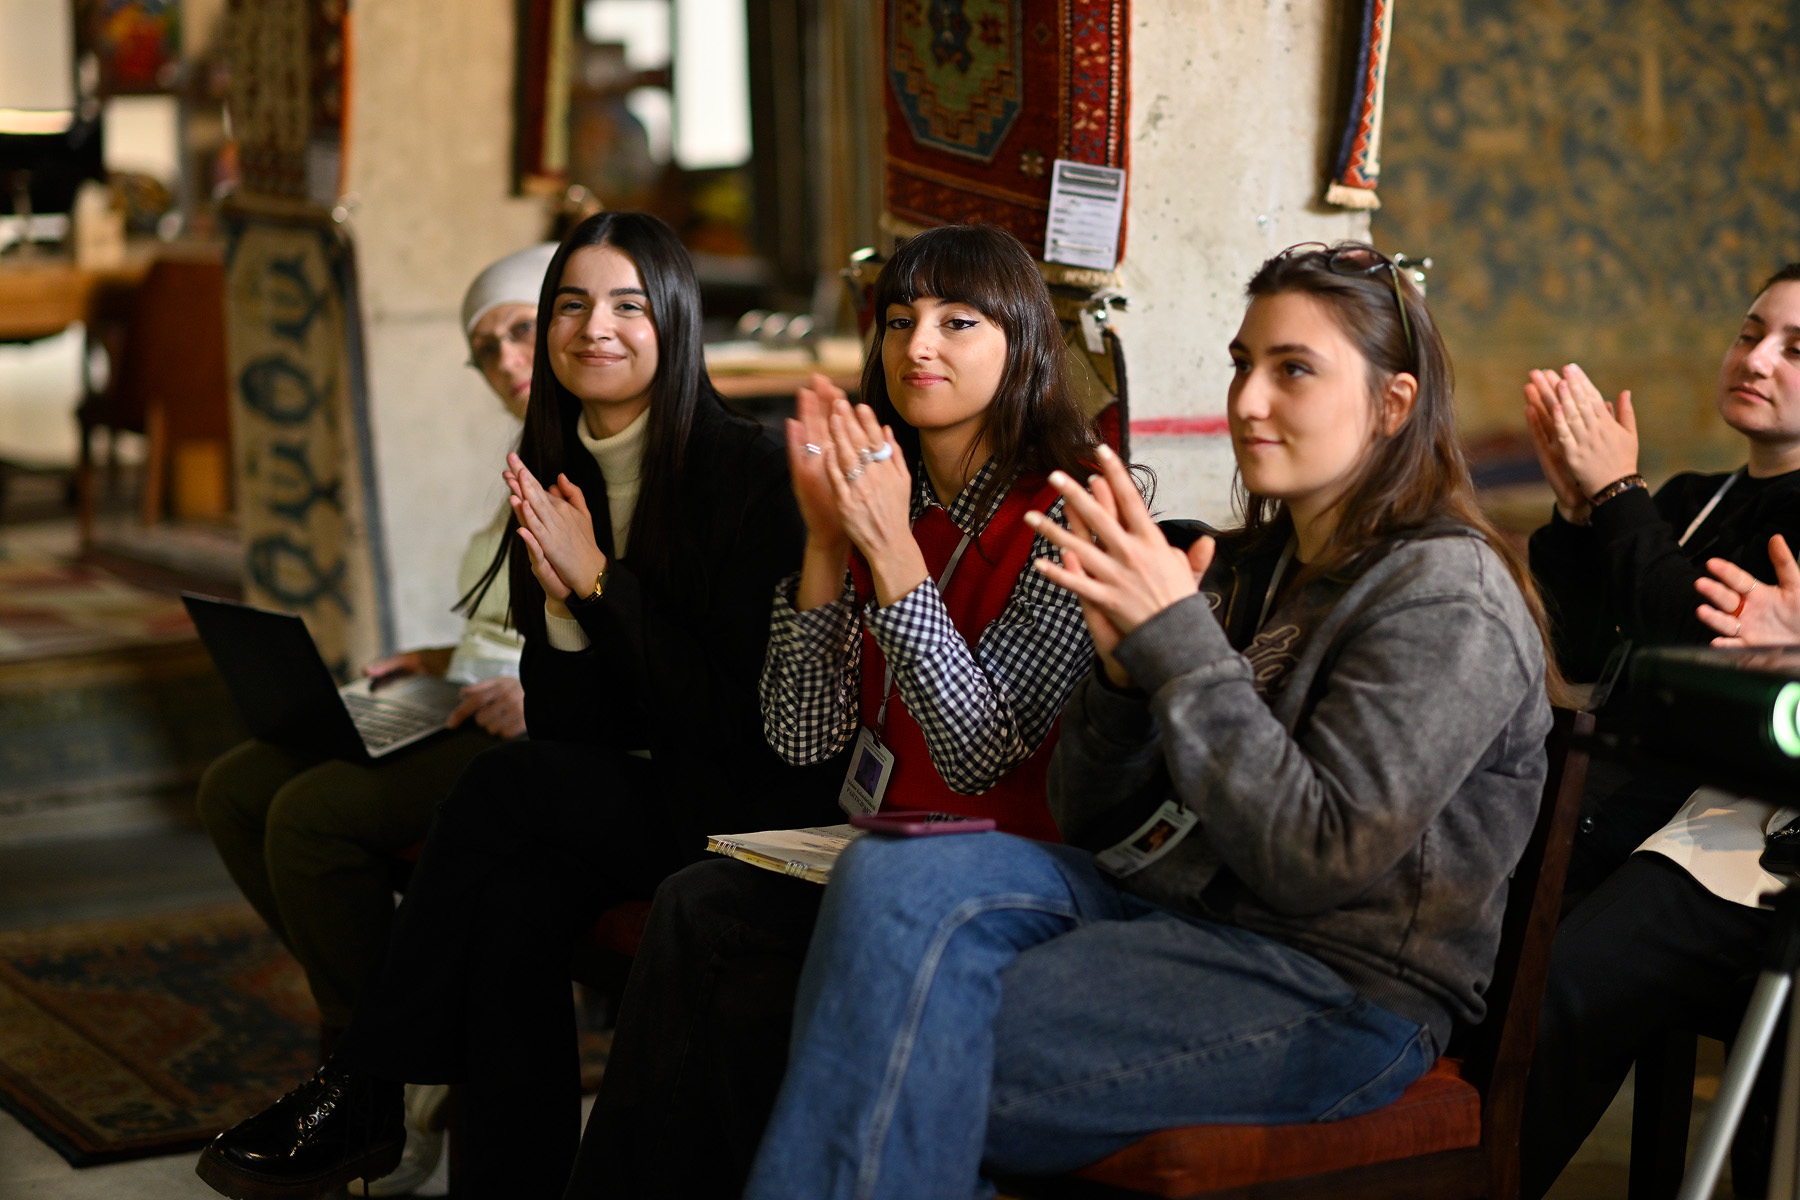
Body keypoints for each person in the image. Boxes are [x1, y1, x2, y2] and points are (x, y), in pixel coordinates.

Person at [739, 242, 1558, 1200]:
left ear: (1394, 403)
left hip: (1334, 990)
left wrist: (1176, 644)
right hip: (1173, 912)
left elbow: (1315, 857)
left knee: (894, 1035)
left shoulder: (1446, 592)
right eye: (1243, 364)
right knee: (895, 871)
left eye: (1293, 370)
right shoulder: (1258, 567)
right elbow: (1092, 820)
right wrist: (1126, 684)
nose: (1249, 400)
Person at [194, 211, 841, 1200]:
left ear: (674, 319)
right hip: (643, 788)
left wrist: (595, 590)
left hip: (751, 804)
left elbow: (734, 721)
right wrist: (569, 608)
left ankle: (368, 1083)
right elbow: (583, 730)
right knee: (512, 898)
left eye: (628, 304)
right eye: (571, 305)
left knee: (506, 787)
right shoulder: (559, 469)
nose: (595, 328)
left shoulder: (747, 472)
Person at [566, 222, 1102, 1199]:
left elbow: (980, 752)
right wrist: (823, 541)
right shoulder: (875, 491)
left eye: (957, 321)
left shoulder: (1067, 512)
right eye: (898, 320)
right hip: (881, 845)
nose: (918, 346)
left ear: (1023, 344)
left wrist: (889, 550)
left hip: (1014, 871)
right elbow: (803, 735)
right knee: (697, 905)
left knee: (740, 979)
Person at [193, 242, 552, 1192]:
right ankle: (403, 1046)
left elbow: (620, 638)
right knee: (235, 788)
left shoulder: (615, 453)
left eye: (524, 331)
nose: (510, 361)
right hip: (464, 700)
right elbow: (498, 626)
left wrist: (538, 693)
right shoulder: (524, 455)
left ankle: (371, 1078)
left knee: (313, 815)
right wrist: (426, 665)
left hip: (535, 730)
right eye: (488, 349)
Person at [1521, 266, 1800, 1200]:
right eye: (1750, 330)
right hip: (1622, 802)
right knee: (1484, 959)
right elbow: (1594, 652)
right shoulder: (1690, 496)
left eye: (1796, 349)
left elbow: (1700, 658)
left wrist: (1617, 496)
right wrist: (1577, 507)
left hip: (1744, 838)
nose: (1755, 358)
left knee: (1560, 988)